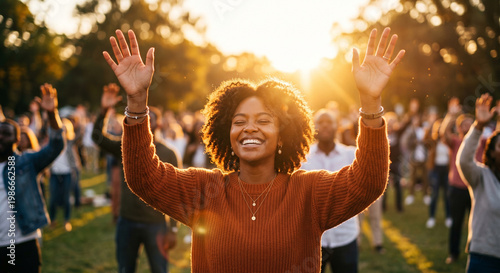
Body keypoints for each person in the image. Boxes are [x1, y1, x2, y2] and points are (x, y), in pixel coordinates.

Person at [103, 27, 405, 272]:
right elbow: (144, 178)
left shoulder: (308, 193)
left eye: (264, 121)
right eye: (239, 121)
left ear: (283, 134)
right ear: (226, 132)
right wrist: (136, 104)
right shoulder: (205, 190)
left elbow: (368, 182)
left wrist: (370, 105)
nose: (249, 128)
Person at [92, 83, 180, 273]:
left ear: (158, 124)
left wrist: (173, 229)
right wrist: (105, 110)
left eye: (151, 117)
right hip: (127, 221)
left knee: (159, 269)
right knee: (125, 269)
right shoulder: (125, 145)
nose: (146, 120)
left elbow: (176, 192)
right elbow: (97, 136)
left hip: (156, 223)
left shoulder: (168, 153)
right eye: (143, 116)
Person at [0, 83, 64, 273]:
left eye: (6, 134)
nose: (0, 137)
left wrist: (52, 114)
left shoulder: (26, 162)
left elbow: (56, 146)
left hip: (23, 242)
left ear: (16, 139)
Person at [301, 108, 359, 273]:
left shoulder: (351, 155)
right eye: (321, 122)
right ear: (314, 127)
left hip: (346, 236)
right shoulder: (303, 157)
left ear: (337, 126)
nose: (325, 126)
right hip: (313, 241)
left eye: (329, 122)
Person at [457, 93, 500, 273]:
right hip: (484, 259)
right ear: (491, 153)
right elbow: (464, 161)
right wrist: (479, 126)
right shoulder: (482, 176)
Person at [440, 97, 474, 264]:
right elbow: (443, 133)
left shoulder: (480, 142)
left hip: (475, 188)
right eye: (464, 123)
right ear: (459, 127)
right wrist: (451, 116)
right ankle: (453, 253)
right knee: (457, 223)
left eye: (470, 123)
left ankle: (474, 252)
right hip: (457, 189)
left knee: (476, 223)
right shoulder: (455, 141)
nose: (467, 126)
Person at [49, 118, 80, 232]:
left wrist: (74, 169)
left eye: (65, 129)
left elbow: (74, 160)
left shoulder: (70, 144)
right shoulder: (53, 144)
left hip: (67, 173)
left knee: (67, 198)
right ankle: (52, 220)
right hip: (55, 173)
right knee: (53, 199)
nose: (63, 132)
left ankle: (66, 221)